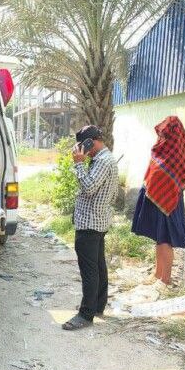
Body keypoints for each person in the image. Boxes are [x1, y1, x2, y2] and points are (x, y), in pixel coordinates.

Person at [62, 125, 118, 331]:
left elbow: (88, 187)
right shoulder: (104, 159)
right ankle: (97, 306)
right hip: (97, 221)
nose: (80, 150)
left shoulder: (102, 161)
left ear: (90, 142)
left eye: (82, 146)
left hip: (90, 223)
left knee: (89, 270)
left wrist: (78, 164)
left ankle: (86, 315)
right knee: (98, 266)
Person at [131, 116, 185, 285]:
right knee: (159, 238)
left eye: (164, 134)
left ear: (171, 135)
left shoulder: (174, 154)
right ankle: (157, 274)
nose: (160, 138)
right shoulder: (163, 151)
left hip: (169, 203)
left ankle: (165, 279)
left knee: (165, 239)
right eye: (160, 134)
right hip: (159, 200)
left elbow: (170, 178)